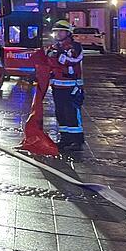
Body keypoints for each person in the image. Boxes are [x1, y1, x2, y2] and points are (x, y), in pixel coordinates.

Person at [47, 20, 84, 152]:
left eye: (61, 31)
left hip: (72, 87)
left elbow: (74, 59)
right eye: (56, 31)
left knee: (72, 113)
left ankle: (77, 141)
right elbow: (50, 64)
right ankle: (65, 139)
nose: (58, 34)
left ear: (68, 33)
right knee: (60, 113)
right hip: (58, 86)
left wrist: (59, 56)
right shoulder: (54, 47)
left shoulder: (75, 47)